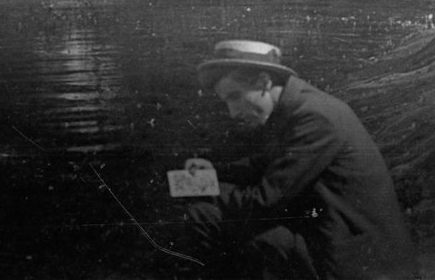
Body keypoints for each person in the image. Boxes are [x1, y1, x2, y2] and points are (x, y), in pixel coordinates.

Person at [180, 38, 419, 279]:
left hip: (359, 263)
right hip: (335, 239)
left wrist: (201, 186)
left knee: (205, 216)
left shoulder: (316, 118)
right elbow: (266, 163)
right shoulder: (299, 107)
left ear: (264, 82)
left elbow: (263, 201)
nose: (232, 112)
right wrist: (213, 173)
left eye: (234, 96)